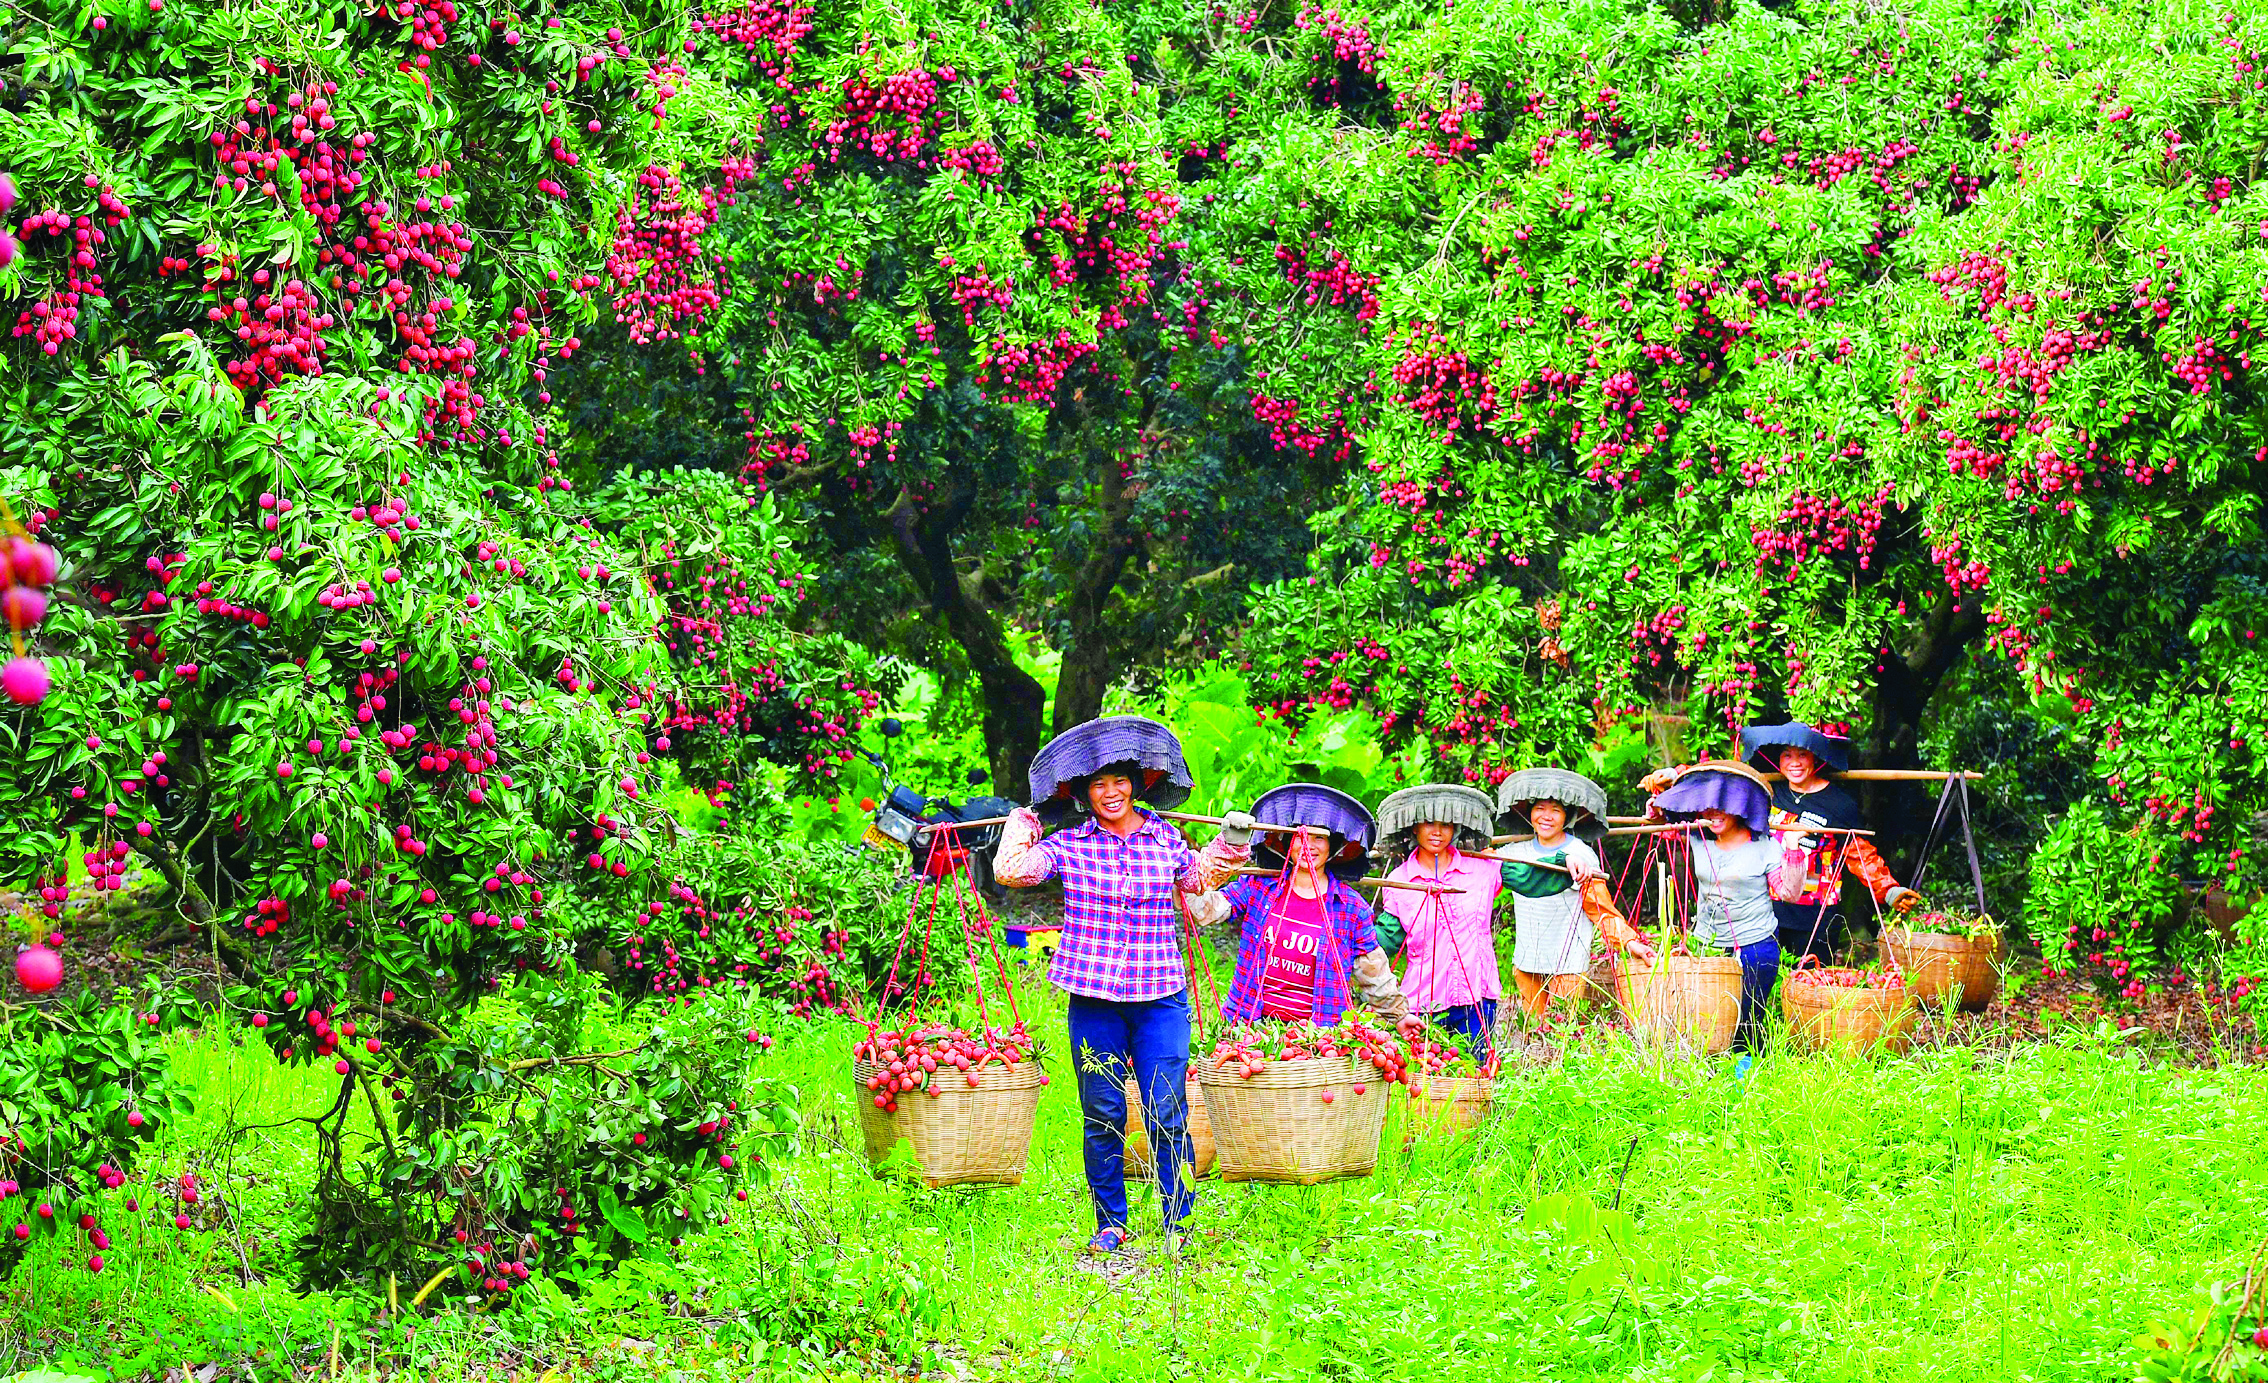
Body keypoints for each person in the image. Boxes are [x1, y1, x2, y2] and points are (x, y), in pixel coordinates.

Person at [993, 764, 1257, 1258]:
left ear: (1136, 786)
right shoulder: (1068, 844)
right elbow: (1010, 870)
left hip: (1159, 998)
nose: (1110, 792)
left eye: (1119, 782)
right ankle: (1110, 1222)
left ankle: (1178, 1221)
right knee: (1103, 1112)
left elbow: (1201, 878)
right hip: (1094, 1000)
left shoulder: (1166, 839)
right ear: (1084, 792)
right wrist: (1028, 818)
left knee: (1166, 1106)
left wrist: (1233, 841)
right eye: (1098, 784)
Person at [1209, 824, 1425, 1038]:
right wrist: (1214, 857)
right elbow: (1207, 909)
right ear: (1288, 841)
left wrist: (1399, 1015)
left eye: (1319, 838)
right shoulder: (1259, 887)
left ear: (1333, 846)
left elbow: (1372, 970)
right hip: (1249, 1029)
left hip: (1318, 1037)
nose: (1308, 845)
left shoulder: (1351, 908)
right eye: (1300, 836)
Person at [1645, 760, 1802, 1052]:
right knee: (1709, 1017)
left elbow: (1789, 892)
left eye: (1722, 806)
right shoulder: (1698, 837)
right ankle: (1710, 1073)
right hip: (1708, 944)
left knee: (1748, 1018)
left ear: (1740, 806)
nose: (1712, 813)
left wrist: (1793, 849)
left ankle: (1746, 1072)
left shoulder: (1765, 846)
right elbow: (1660, 825)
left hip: (1754, 946)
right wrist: (1658, 801)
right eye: (1707, 806)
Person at [1739, 722, 1922, 966]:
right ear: (1778, 760)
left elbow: (1859, 854)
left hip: (1816, 916)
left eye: (1802, 755)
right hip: (1767, 911)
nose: (1795, 763)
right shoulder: (1771, 793)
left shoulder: (1839, 804)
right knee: (1767, 979)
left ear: (1815, 757)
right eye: (1787, 755)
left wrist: (1889, 891)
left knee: (1810, 982)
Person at [1495, 796, 1653, 1023]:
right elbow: (1480, 867)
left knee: (1561, 1031)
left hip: (1568, 962)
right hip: (1527, 960)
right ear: (1529, 814)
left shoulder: (1581, 854)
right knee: (1531, 1030)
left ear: (1566, 817)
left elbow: (1599, 908)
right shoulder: (1513, 853)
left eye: (1555, 810)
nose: (1546, 816)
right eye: (1539, 809)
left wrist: (1629, 942)